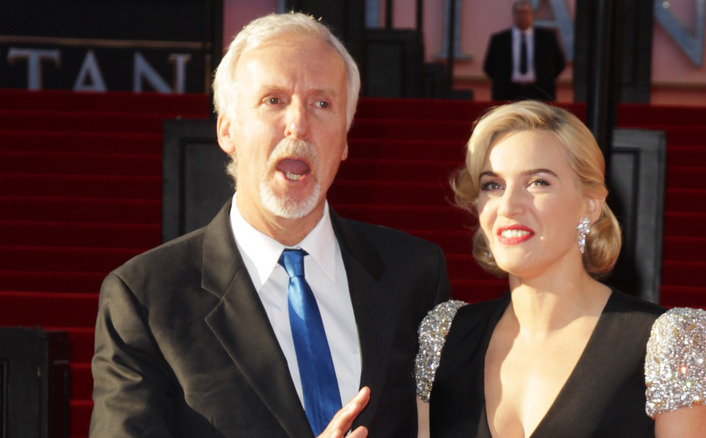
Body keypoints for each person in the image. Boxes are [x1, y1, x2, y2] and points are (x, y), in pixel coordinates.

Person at [89, 12, 451, 438]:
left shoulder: (415, 274)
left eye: (322, 103)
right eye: (274, 100)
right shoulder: (145, 298)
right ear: (227, 129)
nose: (298, 124)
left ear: (347, 138)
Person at [414, 101, 706, 437]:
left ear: (589, 205)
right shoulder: (446, 336)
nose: (509, 205)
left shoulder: (665, 342)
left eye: (538, 183)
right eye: (493, 185)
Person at [483, 1, 566, 101]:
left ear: (532, 15)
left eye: (526, 12)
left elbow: (559, 63)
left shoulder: (547, 38)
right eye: (519, 12)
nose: (523, 16)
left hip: (540, 92)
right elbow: (489, 67)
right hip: (507, 93)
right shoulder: (500, 40)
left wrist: (545, 79)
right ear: (513, 14)